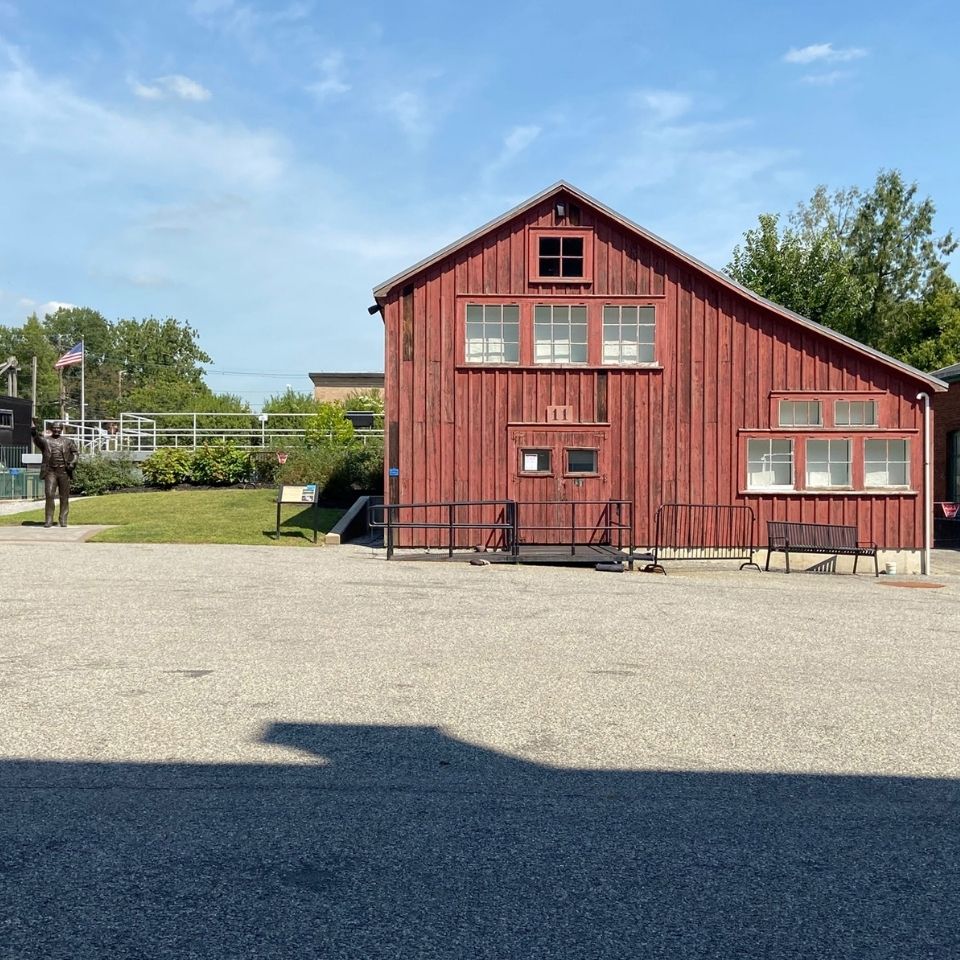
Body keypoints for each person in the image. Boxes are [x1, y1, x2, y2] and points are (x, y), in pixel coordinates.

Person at [31, 419, 79, 528]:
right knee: (49, 495)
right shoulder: (45, 441)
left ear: (61, 429)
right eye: (54, 428)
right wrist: (33, 430)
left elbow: (76, 453)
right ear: (51, 429)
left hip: (64, 472)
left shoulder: (68, 441)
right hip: (50, 472)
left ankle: (63, 519)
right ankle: (48, 520)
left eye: (59, 428)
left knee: (64, 497)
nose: (56, 430)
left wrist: (73, 462)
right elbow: (36, 439)